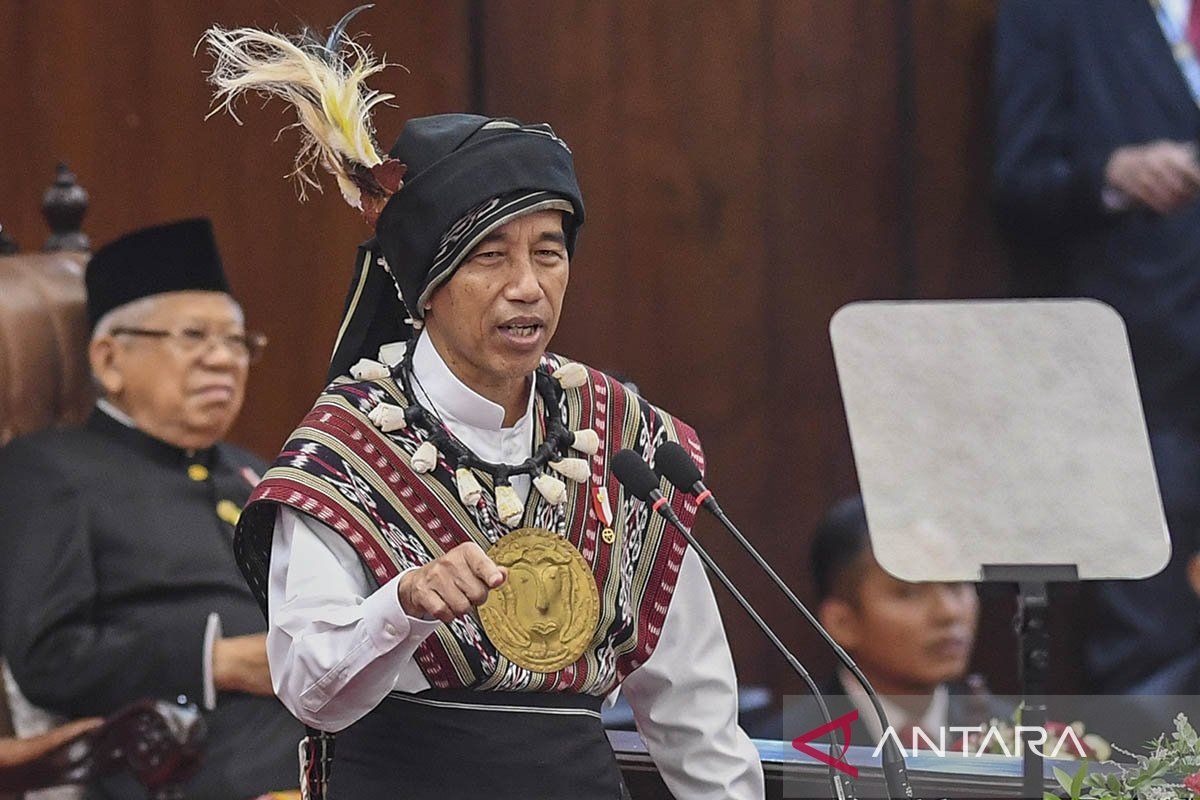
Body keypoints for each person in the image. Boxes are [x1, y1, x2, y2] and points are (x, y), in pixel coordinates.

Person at [203, 12, 764, 800]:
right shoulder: (349, 447)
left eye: (549, 252)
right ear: (428, 286)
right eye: (490, 257)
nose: (527, 285)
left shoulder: (627, 441)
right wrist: (403, 603)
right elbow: (308, 688)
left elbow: (695, 712)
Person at [0, 220, 302, 799]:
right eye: (193, 337)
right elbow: (48, 657)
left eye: (237, 341)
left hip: (320, 736)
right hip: (193, 759)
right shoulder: (48, 470)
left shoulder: (256, 472)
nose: (225, 360)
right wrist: (212, 662)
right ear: (110, 360)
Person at [993, 0, 1200, 694]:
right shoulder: (1056, 12)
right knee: (1150, 641)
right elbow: (1019, 183)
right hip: (1144, 378)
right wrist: (1111, 175)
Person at [755, 497, 997, 745]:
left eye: (955, 583)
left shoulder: (1019, 736)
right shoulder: (787, 751)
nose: (949, 612)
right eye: (909, 592)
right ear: (842, 623)